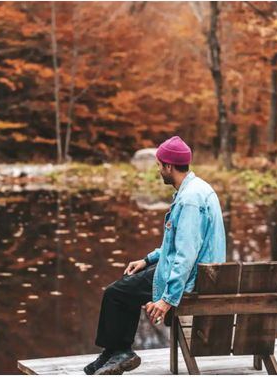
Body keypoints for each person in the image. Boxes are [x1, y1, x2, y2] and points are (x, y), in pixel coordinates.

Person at [85, 136, 227, 375]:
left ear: (169, 166)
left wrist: (168, 299)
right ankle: (113, 352)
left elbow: (186, 254)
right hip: (200, 271)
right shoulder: (197, 188)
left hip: (194, 278)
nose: (158, 170)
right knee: (121, 289)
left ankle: (120, 351)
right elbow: (180, 244)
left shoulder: (190, 200)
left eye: (160, 165)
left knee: (116, 294)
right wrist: (148, 260)